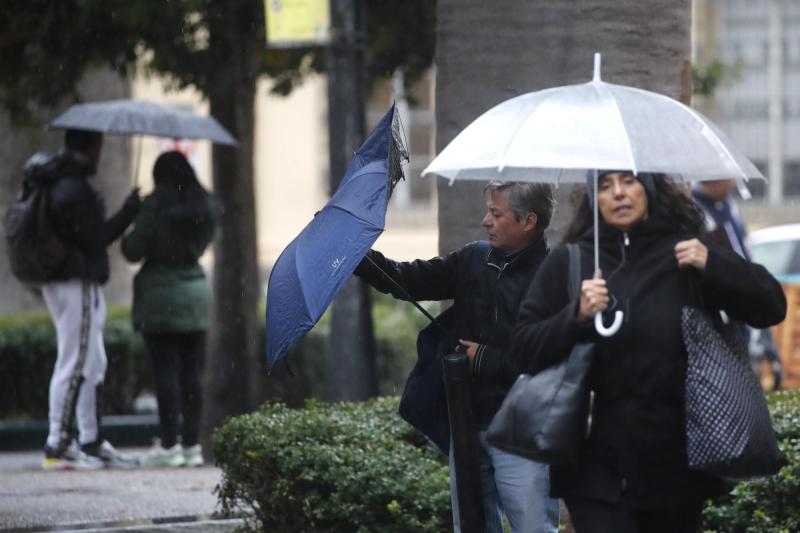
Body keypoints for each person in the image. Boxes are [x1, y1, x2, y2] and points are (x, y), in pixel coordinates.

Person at [511, 171, 786, 533]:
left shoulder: (687, 254)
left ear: (650, 190)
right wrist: (574, 315)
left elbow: (770, 307)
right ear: (594, 199)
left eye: (629, 181)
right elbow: (522, 351)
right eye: (606, 186)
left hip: (676, 474)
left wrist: (714, 263)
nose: (619, 194)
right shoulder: (571, 261)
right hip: (596, 474)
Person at [354, 181, 560, 533]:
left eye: (496, 214)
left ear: (529, 221)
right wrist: (354, 253)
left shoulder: (555, 277)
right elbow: (408, 280)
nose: (485, 221)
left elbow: (550, 360)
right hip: (466, 425)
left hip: (525, 434)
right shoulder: (473, 259)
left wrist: (484, 359)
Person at [40, 128, 141, 470]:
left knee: (92, 362)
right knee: (75, 361)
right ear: (90, 147)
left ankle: (89, 438)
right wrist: (128, 212)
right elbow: (96, 239)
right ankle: (58, 442)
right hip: (76, 283)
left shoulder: (63, 183)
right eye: (99, 145)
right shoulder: (72, 189)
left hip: (70, 282)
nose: (102, 153)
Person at [121, 151, 218, 468]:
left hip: (160, 299)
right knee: (192, 375)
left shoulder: (154, 207)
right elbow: (202, 240)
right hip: (195, 297)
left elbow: (132, 250)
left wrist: (132, 213)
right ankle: (191, 444)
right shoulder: (203, 207)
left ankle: (168, 444)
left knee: (166, 375)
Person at [692, 179, 783, 388]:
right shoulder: (693, 212)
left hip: (748, 321)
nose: (733, 182)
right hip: (722, 330)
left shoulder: (730, 208)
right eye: (727, 178)